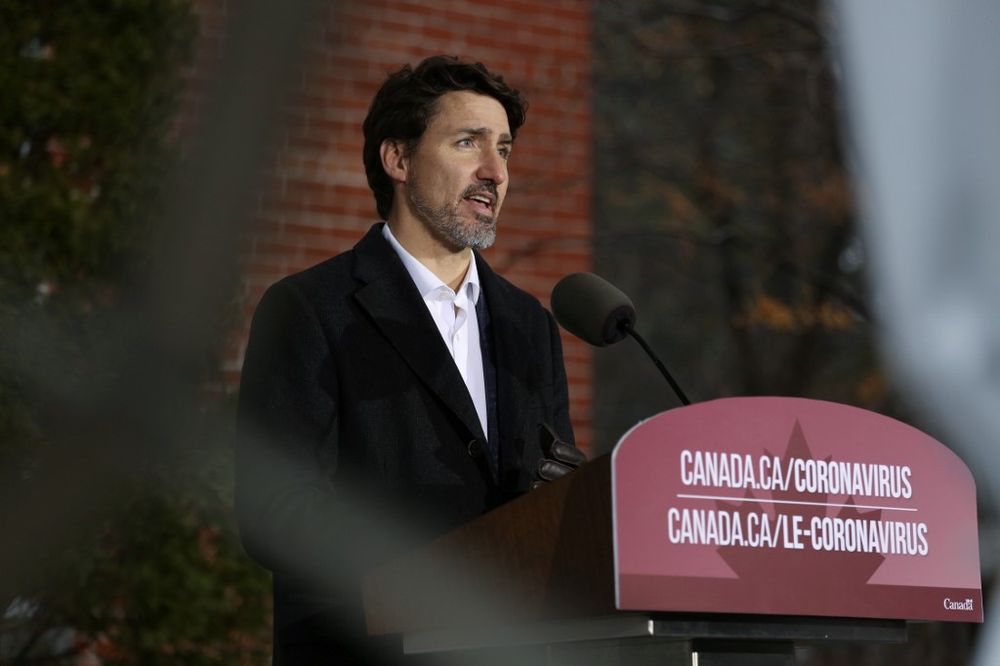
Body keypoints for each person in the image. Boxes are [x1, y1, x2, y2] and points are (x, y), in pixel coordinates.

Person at [235, 55, 584, 664]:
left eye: (504, 149)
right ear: (398, 159)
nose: (495, 171)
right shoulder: (310, 308)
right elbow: (277, 511)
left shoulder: (529, 325)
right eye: (468, 142)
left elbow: (549, 500)